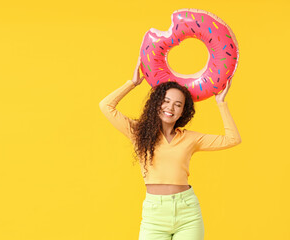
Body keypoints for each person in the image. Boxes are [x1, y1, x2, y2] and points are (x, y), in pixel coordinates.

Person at [99, 56, 242, 240]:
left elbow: (233, 139)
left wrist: (221, 103)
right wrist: (132, 83)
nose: (170, 108)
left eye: (178, 104)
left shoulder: (190, 138)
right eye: (166, 101)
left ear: (183, 111)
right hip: (154, 216)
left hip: (188, 214)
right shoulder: (138, 132)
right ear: (156, 103)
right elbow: (106, 106)